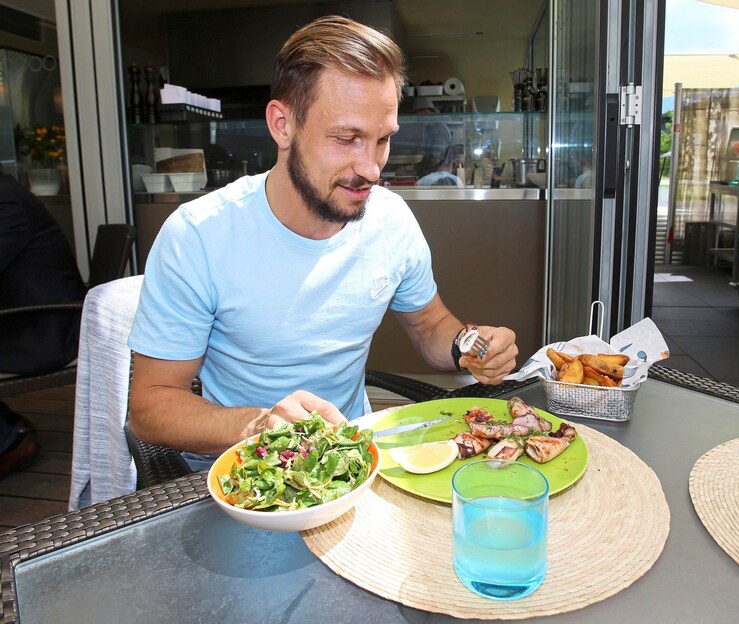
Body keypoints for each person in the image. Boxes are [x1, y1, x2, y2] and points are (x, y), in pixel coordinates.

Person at [127, 15, 518, 469]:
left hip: (353, 463)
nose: (372, 168)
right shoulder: (198, 236)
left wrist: (473, 344)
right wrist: (260, 428)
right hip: (239, 473)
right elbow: (151, 405)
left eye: (382, 140)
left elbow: (432, 328)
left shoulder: (390, 221)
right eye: (347, 139)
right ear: (282, 125)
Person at [0, 170, 87, 477]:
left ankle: (8, 442)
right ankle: (9, 425)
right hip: (28, 320)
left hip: (43, 329)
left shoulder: (6, 202)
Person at [415, 123, 465, 187]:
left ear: (425, 112)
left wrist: (415, 167)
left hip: (437, 175)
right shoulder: (457, 181)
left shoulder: (438, 130)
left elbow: (435, 159)